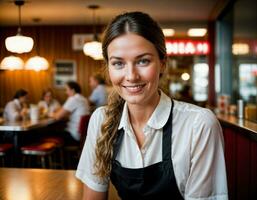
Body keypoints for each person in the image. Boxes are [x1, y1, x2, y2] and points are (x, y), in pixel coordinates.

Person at [76, 12, 228, 200]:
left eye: (143, 61)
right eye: (118, 63)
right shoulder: (101, 120)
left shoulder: (198, 125)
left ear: (162, 63)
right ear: (108, 68)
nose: (131, 76)